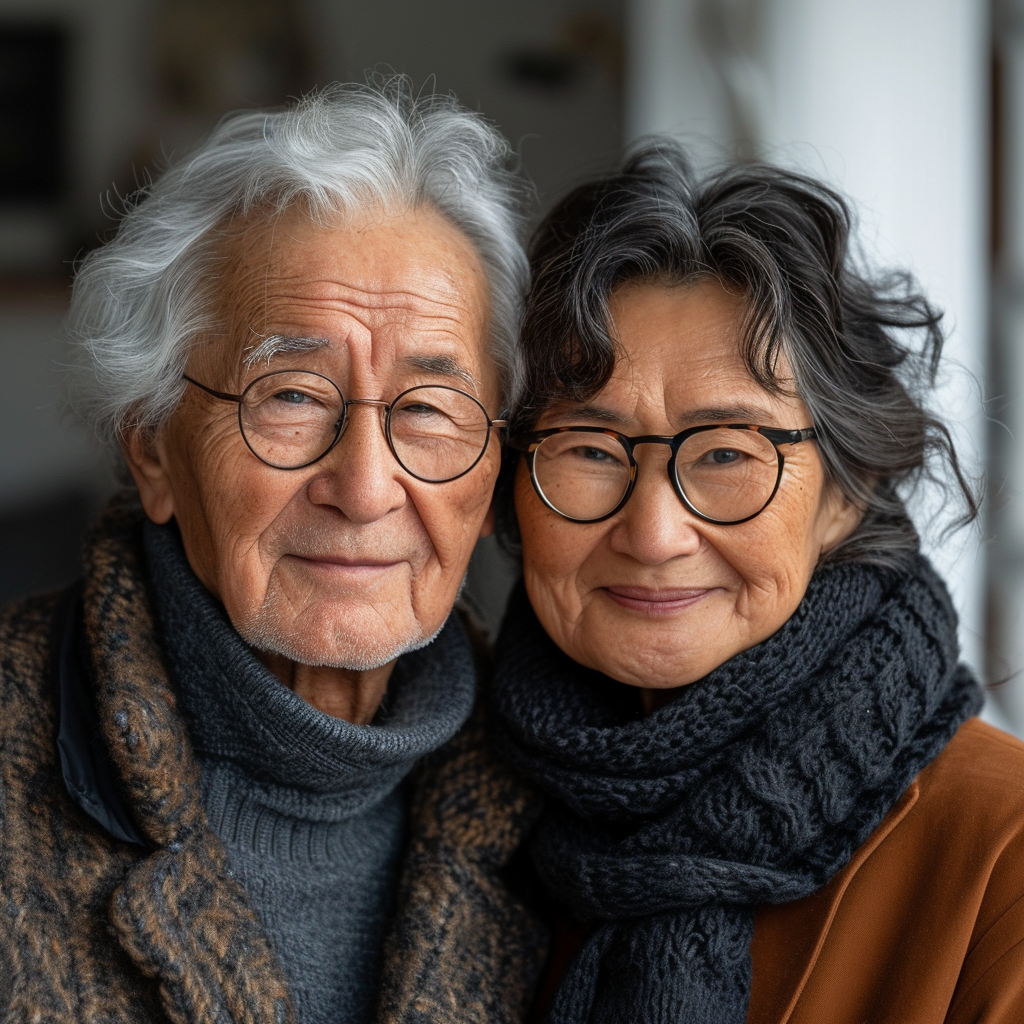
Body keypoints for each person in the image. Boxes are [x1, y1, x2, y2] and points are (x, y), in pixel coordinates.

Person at [0, 81, 547, 1024]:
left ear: (494, 468)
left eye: (428, 410)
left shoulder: (562, 799)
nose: (367, 486)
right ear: (152, 446)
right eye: (291, 396)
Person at [489, 143, 1024, 1024]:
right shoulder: (457, 824)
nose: (655, 534)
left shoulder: (1000, 858)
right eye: (588, 449)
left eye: (730, 453)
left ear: (847, 493)